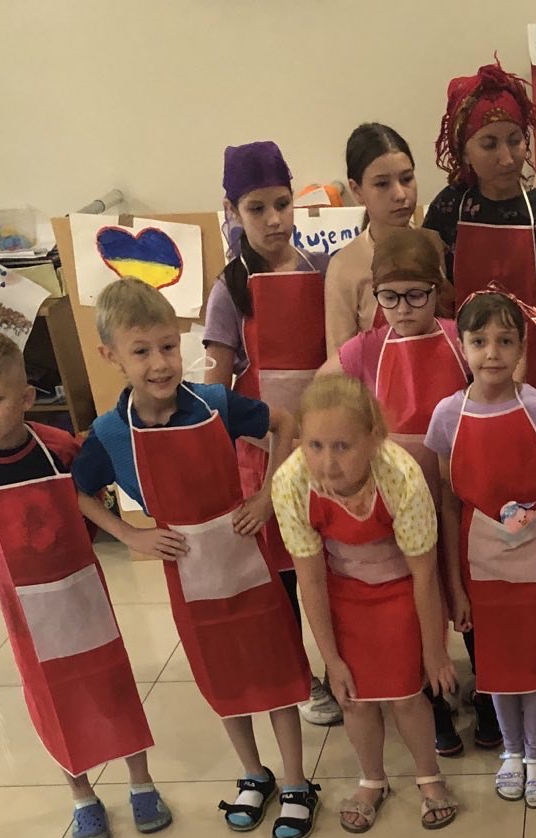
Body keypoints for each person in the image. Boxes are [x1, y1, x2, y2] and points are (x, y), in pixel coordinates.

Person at [73, 279, 320, 838]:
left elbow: (284, 424)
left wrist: (267, 496)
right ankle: (253, 774)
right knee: (223, 679)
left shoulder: (215, 403)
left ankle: (295, 780)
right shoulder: (111, 433)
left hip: (245, 561)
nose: (160, 363)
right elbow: (79, 490)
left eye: (168, 346)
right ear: (111, 356)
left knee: (276, 675)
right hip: (188, 576)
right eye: (141, 351)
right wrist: (128, 534)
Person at [0, 332, 169, 838]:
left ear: (26, 398)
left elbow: (97, 499)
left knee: (112, 686)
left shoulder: (60, 449)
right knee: (53, 701)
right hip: (26, 615)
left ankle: (141, 782)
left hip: (82, 594)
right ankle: (82, 796)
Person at [272, 374, 458, 832]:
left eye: (342, 446)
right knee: (353, 697)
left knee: (407, 695)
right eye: (315, 446)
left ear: (373, 438)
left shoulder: (400, 475)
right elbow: (310, 580)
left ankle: (428, 775)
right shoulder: (291, 482)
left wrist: (434, 650)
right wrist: (330, 658)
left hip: (402, 589)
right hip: (342, 594)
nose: (328, 463)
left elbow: (424, 573)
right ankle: (372, 779)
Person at [203, 139, 341, 731]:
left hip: (329, 447)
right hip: (264, 457)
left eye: (282, 204)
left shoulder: (322, 272)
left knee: (335, 558)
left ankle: (345, 662)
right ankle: (299, 674)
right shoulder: (228, 290)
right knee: (282, 572)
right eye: (256, 209)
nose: (273, 220)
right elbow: (215, 391)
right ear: (232, 211)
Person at [326, 228, 477, 758]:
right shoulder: (363, 349)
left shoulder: (461, 339)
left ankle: (487, 687)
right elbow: (321, 397)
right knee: (417, 599)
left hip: (459, 491)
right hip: (395, 505)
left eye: (417, 295)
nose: (403, 309)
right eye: (389, 297)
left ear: (439, 291)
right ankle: (434, 702)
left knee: (469, 591)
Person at [426, 292, 536, 808]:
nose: (492, 352)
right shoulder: (448, 415)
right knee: (496, 667)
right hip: (479, 562)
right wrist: (455, 588)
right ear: (462, 346)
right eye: (479, 341)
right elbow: (449, 506)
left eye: (505, 341)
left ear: (522, 347)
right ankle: (511, 749)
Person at [424, 60, 536, 396]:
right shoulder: (447, 211)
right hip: (463, 388)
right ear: (464, 151)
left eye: (515, 140)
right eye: (489, 144)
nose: (507, 158)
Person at [324, 122, 449, 355]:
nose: (400, 194)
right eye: (382, 184)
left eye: (407, 179)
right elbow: (339, 361)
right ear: (357, 190)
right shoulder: (344, 267)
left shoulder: (434, 244)